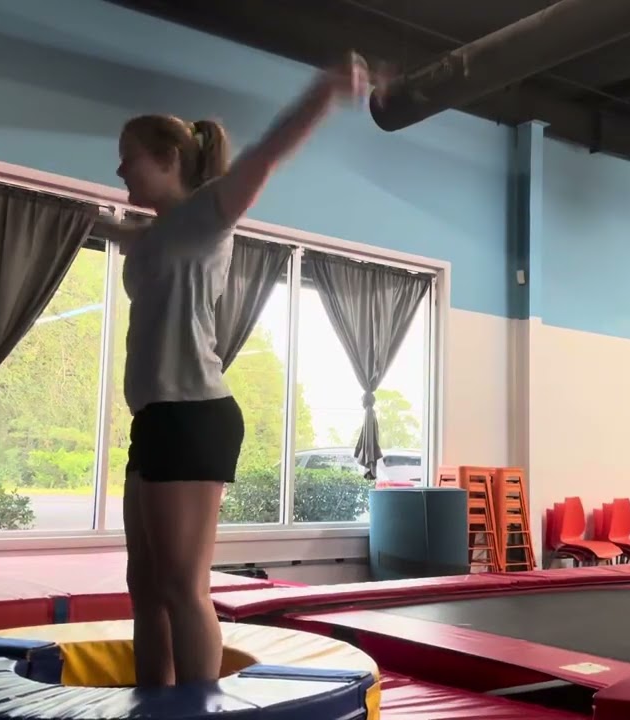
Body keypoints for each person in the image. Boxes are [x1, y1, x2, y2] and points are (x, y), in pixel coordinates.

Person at [108, 55, 373, 688]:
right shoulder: (155, 234)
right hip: (154, 418)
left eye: (130, 158)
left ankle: (196, 708)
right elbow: (142, 245)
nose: (119, 169)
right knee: (142, 586)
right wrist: (112, 230)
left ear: (170, 158)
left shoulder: (207, 214)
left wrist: (323, 93)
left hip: (195, 413)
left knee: (180, 584)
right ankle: (153, 703)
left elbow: (268, 152)